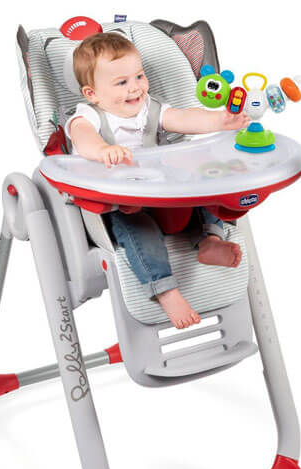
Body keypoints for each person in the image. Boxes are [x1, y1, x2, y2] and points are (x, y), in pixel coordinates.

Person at [65, 32, 249, 329]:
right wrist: (102, 150)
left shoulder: (149, 107)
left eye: (139, 76)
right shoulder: (89, 115)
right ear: (92, 93)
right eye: (121, 82)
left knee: (206, 193)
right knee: (140, 232)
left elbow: (184, 118)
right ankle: (165, 290)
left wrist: (220, 121)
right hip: (122, 203)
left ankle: (210, 240)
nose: (135, 87)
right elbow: (82, 137)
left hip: (162, 191)